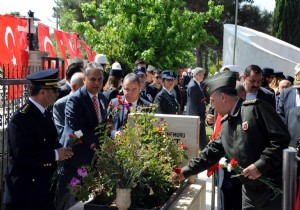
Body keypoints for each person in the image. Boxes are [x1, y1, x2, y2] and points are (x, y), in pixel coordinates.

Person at [171, 71, 290, 210]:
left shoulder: (256, 109)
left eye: (212, 101)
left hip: (272, 192)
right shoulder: (226, 123)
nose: (212, 107)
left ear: (223, 97)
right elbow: (211, 152)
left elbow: (281, 138)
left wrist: (260, 165)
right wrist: (185, 171)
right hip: (249, 193)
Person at [3, 69, 72, 210]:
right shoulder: (21, 119)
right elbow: (24, 156)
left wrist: (63, 151)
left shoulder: (44, 113)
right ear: (42, 92)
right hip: (25, 195)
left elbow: (50, 141)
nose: (57, 94)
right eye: (54, 91)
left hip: (43, 191)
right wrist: (56, 154)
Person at [56, 63, 108, 210]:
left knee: (83, 201)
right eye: (93, 79)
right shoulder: (75, 100)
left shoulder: (103, 99)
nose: (97, 83)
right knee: (67, 198)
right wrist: (96, 141)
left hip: (92, 160)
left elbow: (102, 125)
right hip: (74, 159)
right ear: (84, 79)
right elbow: (76, 128)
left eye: (100, 79)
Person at [109, 73, 150, 138]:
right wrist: (114, 133)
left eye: (134, 89)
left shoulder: (147, 107)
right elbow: (107, 124)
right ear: (122, 88)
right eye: (127, 89)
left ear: (139, 89)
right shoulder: (114, 103)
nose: (130, 93)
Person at [53, 72, 84, 141]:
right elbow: (62, 131)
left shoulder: (89, 100)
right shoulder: (60, 104)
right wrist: (83, 136)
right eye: (83, 87)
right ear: (74, 86)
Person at [185, 67, 208, 150]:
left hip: (199, 115)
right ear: (198, 75)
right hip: (196, 116)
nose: (203, 77)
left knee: (201, 138)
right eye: (202, 75)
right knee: (199, 139)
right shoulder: (193, 86)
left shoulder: (196, 84)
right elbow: (192, 104)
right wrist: (197, 118)